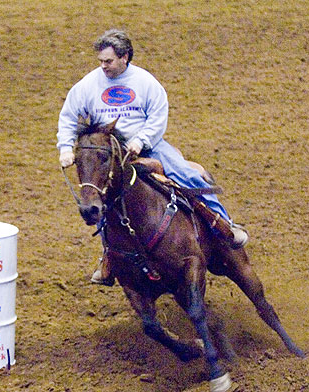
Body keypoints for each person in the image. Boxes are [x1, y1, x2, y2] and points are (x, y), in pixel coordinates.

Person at [57, 29, 248, 284]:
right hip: (110, 153)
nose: (103, 66)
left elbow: (158, 118)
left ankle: (224, 226)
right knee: (103, 201)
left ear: (125, 57)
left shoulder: (146, 83)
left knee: (189, 175)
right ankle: (109, 258)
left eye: (108, 61)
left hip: (147, 146)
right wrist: (65, 148)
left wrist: (140, 141)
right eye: (100, 61)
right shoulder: (88, 85)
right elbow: (69, 116)